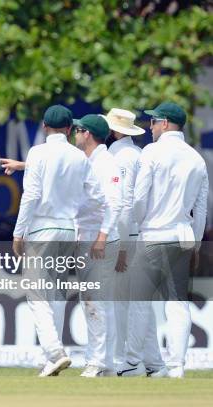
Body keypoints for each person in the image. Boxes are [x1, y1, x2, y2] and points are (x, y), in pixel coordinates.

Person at [12, 105, 105, 377]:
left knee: (36, 293)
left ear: (44, 126)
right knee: (56, 294)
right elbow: (97, 196)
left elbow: (30, 196)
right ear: (69, 129)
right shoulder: (78, 157)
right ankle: (51, 359)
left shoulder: (37, 153)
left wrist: (19, 233)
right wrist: (78, 210)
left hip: (41, 229)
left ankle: (54, 351)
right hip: (67, 229)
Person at [123, 102, 208, 379]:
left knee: (138, 299)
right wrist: (195, 243)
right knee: (177, 303)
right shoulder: (196, 158)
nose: (150, 127)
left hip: (152, 235)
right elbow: (201, 209)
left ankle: (132, 361)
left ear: (165, 124)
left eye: (153, 122)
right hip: (182, 237)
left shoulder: (152, 152)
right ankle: (176, 367)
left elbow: (138, 198)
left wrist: (140, 221)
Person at [105, 109, 167, 377]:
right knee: (138, 303)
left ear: (115, 131)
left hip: (126, 235)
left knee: (122, 303)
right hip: (134, 233)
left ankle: (125, 361)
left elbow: (123, 204)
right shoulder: (136, 154)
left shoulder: (121, 157)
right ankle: (154, 364)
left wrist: (121, 247)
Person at [73, 114, 122, 377]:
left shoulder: (106, 163)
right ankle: (107, 364)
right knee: (99, 301)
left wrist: (102, 236)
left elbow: (115, 203)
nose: (75, 135)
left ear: (87, 133)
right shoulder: (89, 160)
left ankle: (97, 360)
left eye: (78, 130)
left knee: (94, 300)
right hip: (90, 237)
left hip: (98, 239)